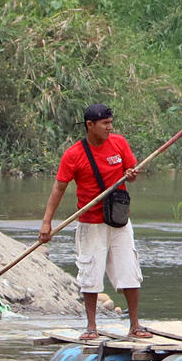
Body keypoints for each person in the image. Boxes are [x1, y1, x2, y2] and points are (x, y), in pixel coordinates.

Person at [40, 103, 145, 341]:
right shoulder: (74, 155)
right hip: (90, 223)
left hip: (119, 220)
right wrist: (46, 223)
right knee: (91, 273)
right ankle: (91, 326)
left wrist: (132, 174)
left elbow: (133, 171)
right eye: (105, 124)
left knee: (129, 270)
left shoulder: (119, 143)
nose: (110, 127)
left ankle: (135, 325)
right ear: (90, 125)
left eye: (111, 122)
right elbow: (59, 188)